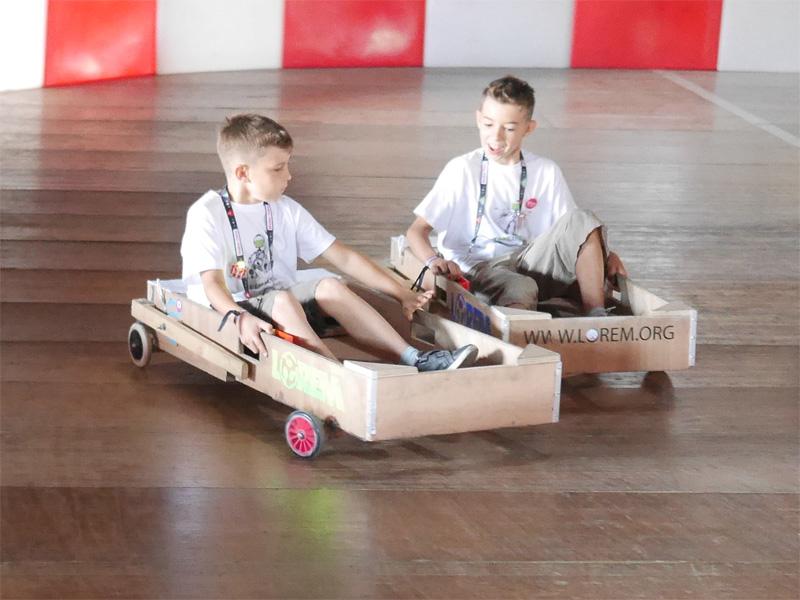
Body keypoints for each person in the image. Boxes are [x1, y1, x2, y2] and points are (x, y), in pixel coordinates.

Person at [180, 114, 477, 371]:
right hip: (237, 310)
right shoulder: (206, 214)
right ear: (243, 173)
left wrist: (402, 294)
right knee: (283, 300)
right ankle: (335, 377)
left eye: (287, 165)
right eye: (278, 168)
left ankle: (414, 358)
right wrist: (238, 317)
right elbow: (213, 285)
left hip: (280, 303)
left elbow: (344, 258)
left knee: (331, 284)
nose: (289, 175)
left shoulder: (284, 208)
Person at [406, 75, 627, 317]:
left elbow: (575, 232)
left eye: (509, 128)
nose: (497, 137)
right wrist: (433, 260)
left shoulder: (546, 171)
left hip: (528, 260)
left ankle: (596, 317)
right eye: (489, 124)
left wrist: (608, 254)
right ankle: (518, 336)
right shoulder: (462, 169)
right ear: (479, 119)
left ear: (528, 128)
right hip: (479, 267)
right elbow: (417, 230)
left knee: (583, 217)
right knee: (521, 286)